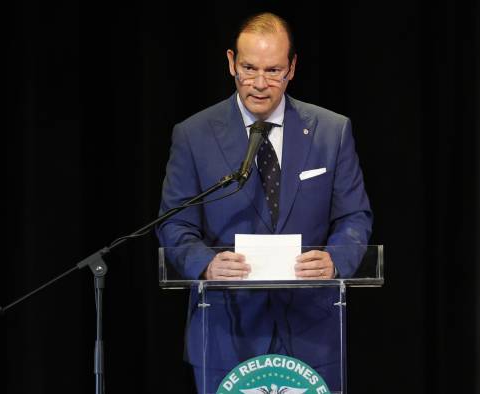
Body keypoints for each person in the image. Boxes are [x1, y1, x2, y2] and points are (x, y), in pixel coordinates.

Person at [156, 12, 372, 393]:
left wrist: (336, 258)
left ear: (292, 68)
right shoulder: (194, 135)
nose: (259, 84)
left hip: (312, 331)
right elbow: (175, 224)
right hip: (226, 329)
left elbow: (354, 216)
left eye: (273, 71)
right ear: (230, 63)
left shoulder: (331, 131)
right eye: (249, 68)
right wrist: (205, 264)